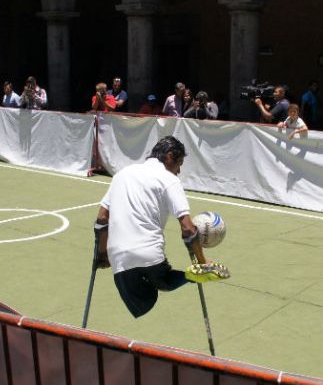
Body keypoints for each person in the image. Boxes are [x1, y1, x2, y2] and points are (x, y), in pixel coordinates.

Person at [93, 136, 231, 318]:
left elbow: (102, 219)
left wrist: (103, 254)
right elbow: (188, 229)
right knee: (163, 281)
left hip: (117, 256)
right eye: (179, 163)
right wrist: (202, 261)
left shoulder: (122, 174)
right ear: (169, 156)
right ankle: (191, 276)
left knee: (142, 300)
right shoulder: (169, 179)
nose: (179, 171)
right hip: (149, 251)